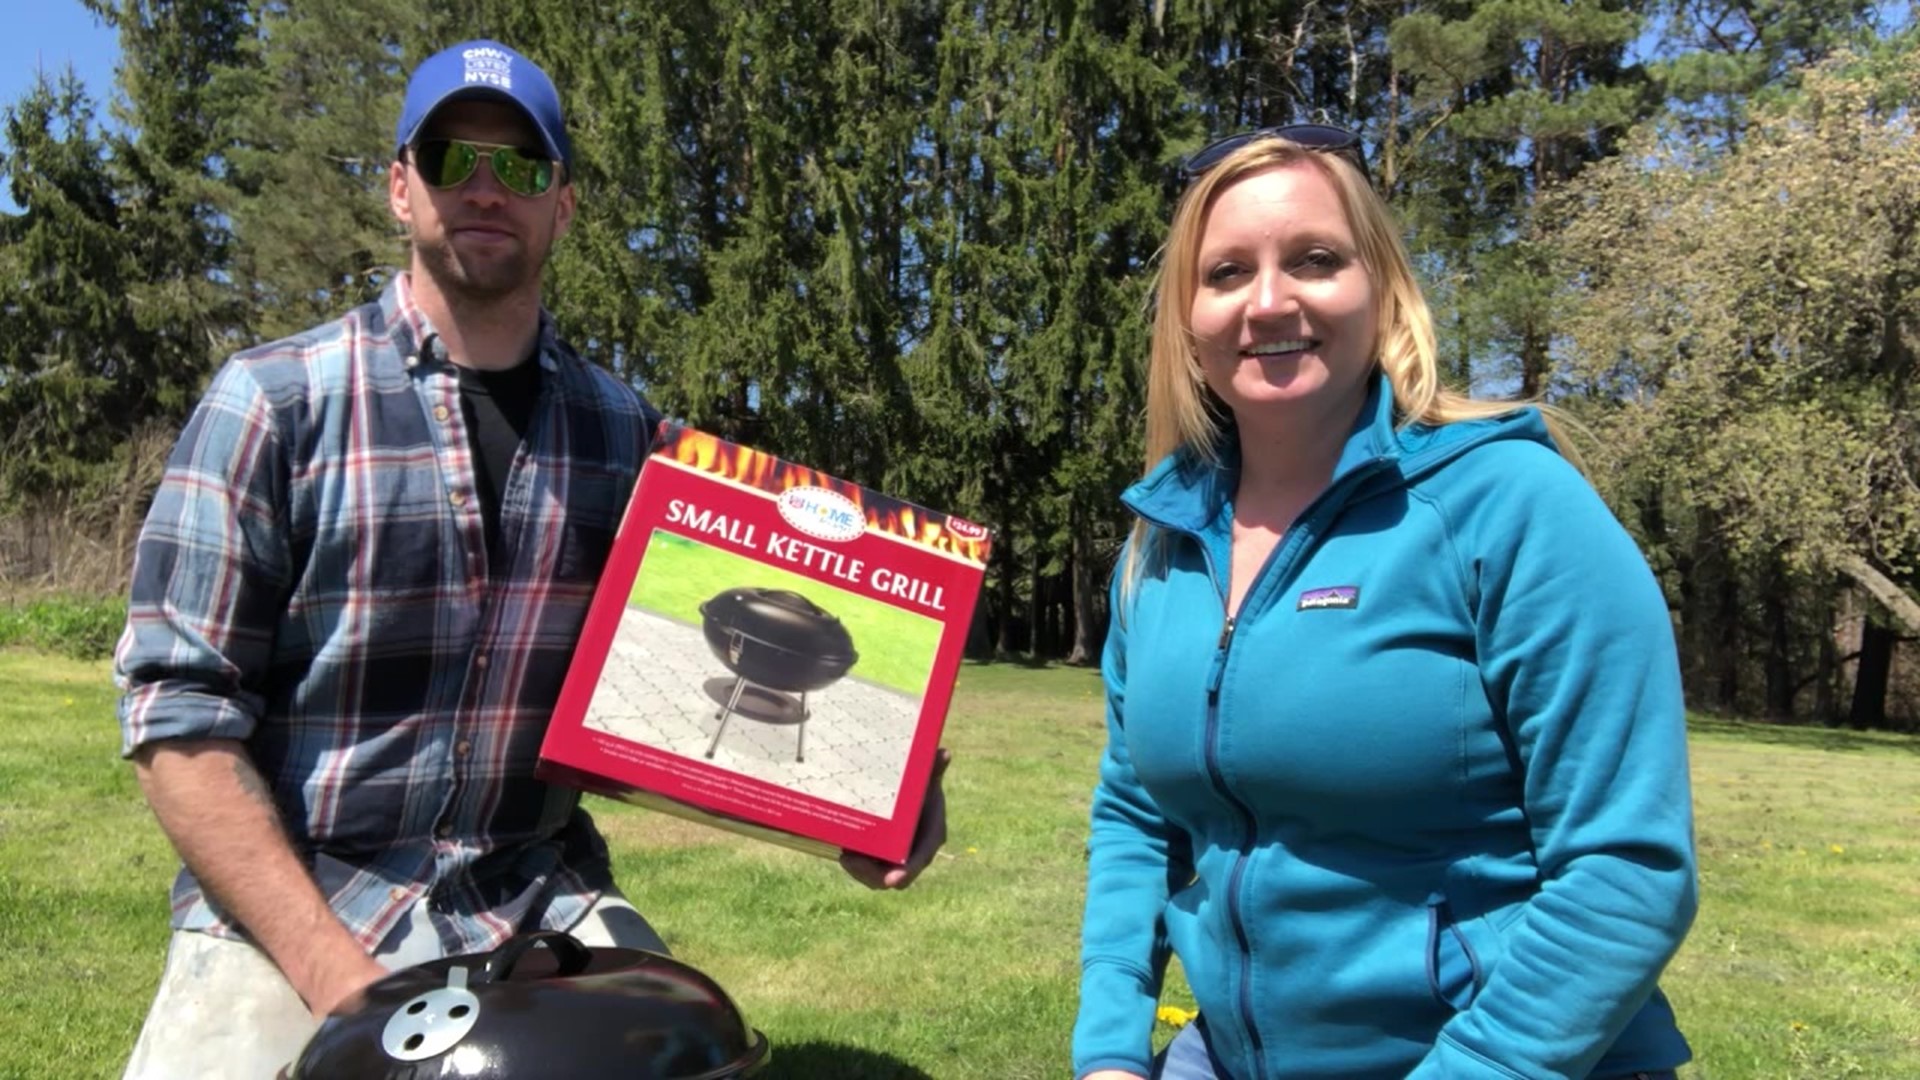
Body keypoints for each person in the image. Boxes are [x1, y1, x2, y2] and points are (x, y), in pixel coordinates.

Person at [114, 39, 946, 1079]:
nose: (485, 188)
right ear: (398, 188)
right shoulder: (273, 403)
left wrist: (881, 796)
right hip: (296, 912)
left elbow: (740, 652)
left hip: (533, 891)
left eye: (521, 166)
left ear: (564, 206)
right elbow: (177, 720)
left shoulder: (632, 438)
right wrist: (346, 991)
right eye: (453, 157)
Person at [1071, 125, 1698, 1080]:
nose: (1269, 301)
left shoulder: (1512, 507)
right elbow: (1135, 817)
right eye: (1227, 271)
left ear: (1385, 290)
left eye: (1315, 260)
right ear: (1186, 321)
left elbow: (1627, 871)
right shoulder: (1159, 545)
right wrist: (1113, 1051)